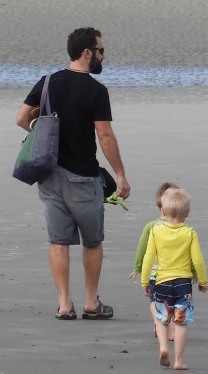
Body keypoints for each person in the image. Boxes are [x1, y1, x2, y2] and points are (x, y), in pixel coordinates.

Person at [16, 27, 131, 321]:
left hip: (49, 174)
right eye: (101, 50)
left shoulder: (48, 82)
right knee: (92, 241)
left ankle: (64, 304)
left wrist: (38, 128)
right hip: (83, 176)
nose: (103, 55)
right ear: (87, 53)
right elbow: (104, 136)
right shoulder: (95, 90)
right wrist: (120, 174)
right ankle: (91, 302)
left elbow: (20, 119)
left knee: (58, 241)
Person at [141, 187, 208, 370]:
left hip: (162, 281)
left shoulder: (156, 232)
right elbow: (198, 259)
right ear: (187, 213)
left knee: (162, 318)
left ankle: (163, 347)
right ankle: (178, 360)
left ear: (163, 211)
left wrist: (145, 280)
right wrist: (202, 281)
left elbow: (148, 258)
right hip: (183, 284)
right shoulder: (190, 233)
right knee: (180, 322)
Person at [131, 181, 181, 342]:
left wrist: (138, 269)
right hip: (176, 274)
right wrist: (193, 271)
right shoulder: (182, 228)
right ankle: (172, 330)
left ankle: (158, 321)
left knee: (155, 301)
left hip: (153, 274)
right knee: (173, 302)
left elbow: (142, 249)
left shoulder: (151, 226)